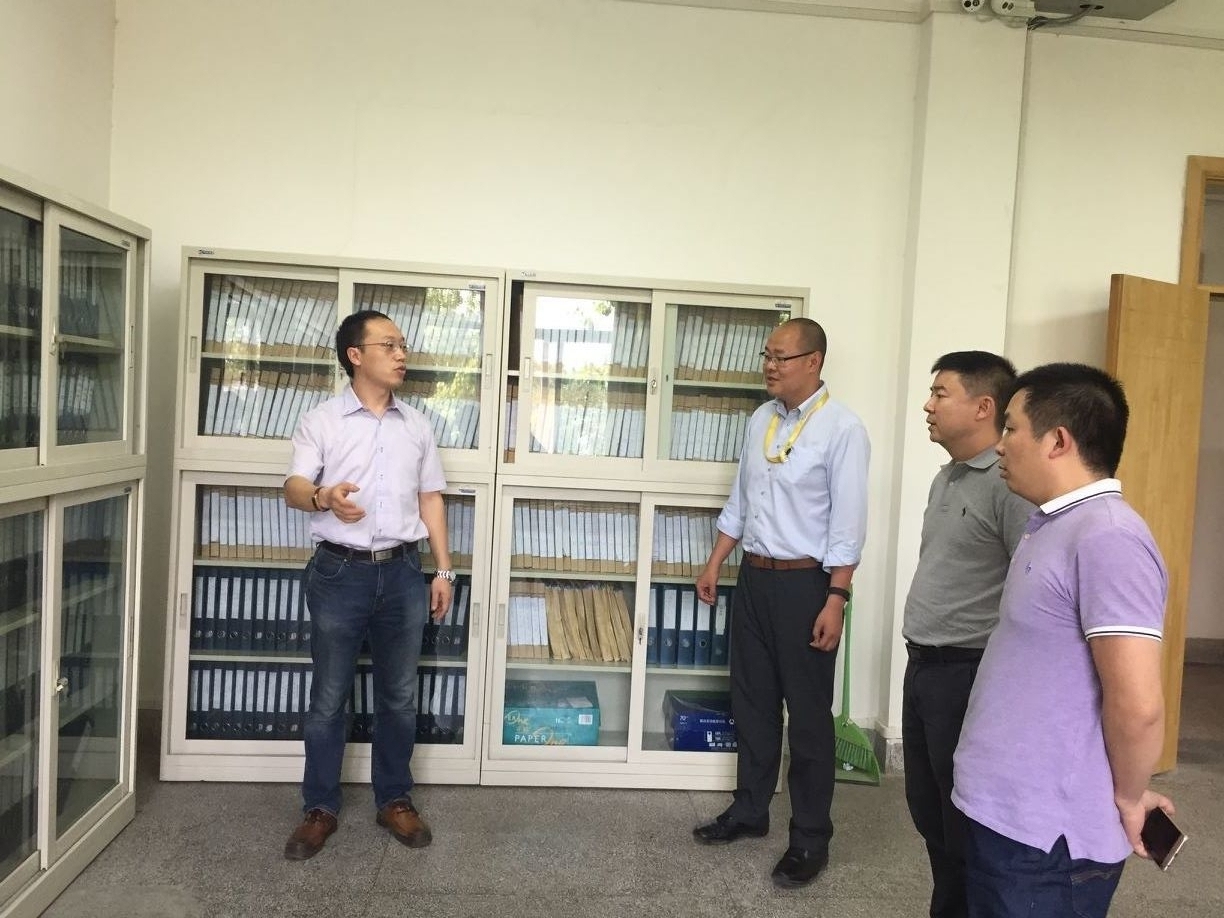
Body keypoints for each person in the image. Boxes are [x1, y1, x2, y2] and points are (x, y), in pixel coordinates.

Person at [952, 363, 1175, 918]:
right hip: (1004, 812)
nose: (999, 444)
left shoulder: (1110, 538)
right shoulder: (1052, 525)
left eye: (1011, 428)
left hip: (1046, 841)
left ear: (1057, 441)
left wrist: (1129, 797)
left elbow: (1139, 704)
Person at [692, 316, 870, 889]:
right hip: (755, 579)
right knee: (752, 703)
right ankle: (750, 810)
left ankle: (810, 837)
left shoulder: (843, 430)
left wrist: (836, 598)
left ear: (814, 362)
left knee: (810, 719)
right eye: (766, 355)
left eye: (781, 357)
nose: (769, 366)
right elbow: (741, 501)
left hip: (806, 586)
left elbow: (848, 527)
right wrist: (716, 561)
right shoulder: (761, 420)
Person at [281, 309, 454, 860]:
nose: (401, 355)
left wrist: (443, 569)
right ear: (355, 355)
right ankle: (320, 807)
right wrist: (323, 497)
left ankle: (394, 799)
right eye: (388, 345)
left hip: (402, 573)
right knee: (328, 697)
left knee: (399, 696)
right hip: (339, 572)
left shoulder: (417, 425)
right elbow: (293, 485)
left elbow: (430, 498)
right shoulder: (323, 421)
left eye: (403, 346)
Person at [902, 351, 1034, 918]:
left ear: (983, 407)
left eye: (940, 394)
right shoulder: (948, 476)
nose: (928, 406)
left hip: (967, 672)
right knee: (928, 810)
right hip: (923, 666)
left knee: (963, 819)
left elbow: (1031, 587)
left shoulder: (1008, 487)